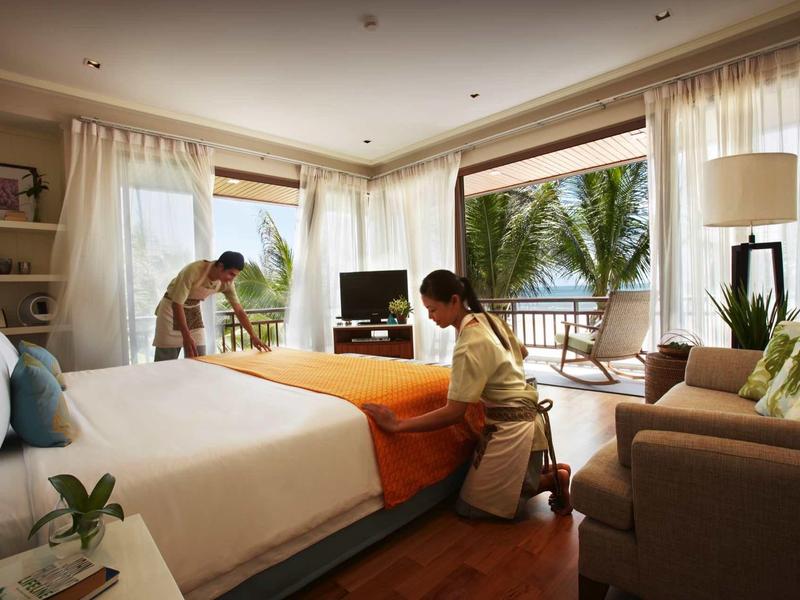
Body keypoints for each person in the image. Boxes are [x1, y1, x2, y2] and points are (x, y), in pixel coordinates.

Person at [363, 269, 571, 519]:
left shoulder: (469, 343)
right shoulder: (489, 319)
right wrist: (495, 377)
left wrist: (398, 424)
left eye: (432, 309)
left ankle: (553, 480)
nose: (430, 317)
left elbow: (454, 413)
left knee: (470, 508)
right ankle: (549, 471)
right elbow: (522, 352)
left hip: (515, 430)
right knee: (477, 499)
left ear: (454, 300)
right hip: (524, 420)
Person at [152, 251, 271, 361]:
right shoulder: (193, 270)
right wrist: (186, 336)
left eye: (235, 276)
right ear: (220, 266)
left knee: (199, 358)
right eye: (231, 274)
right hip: (171, 309)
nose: (232, 279)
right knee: (165, 361)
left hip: (193, 310)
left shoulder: (227, 284)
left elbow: (239, 311)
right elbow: (177, 304)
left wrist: (254, 336)